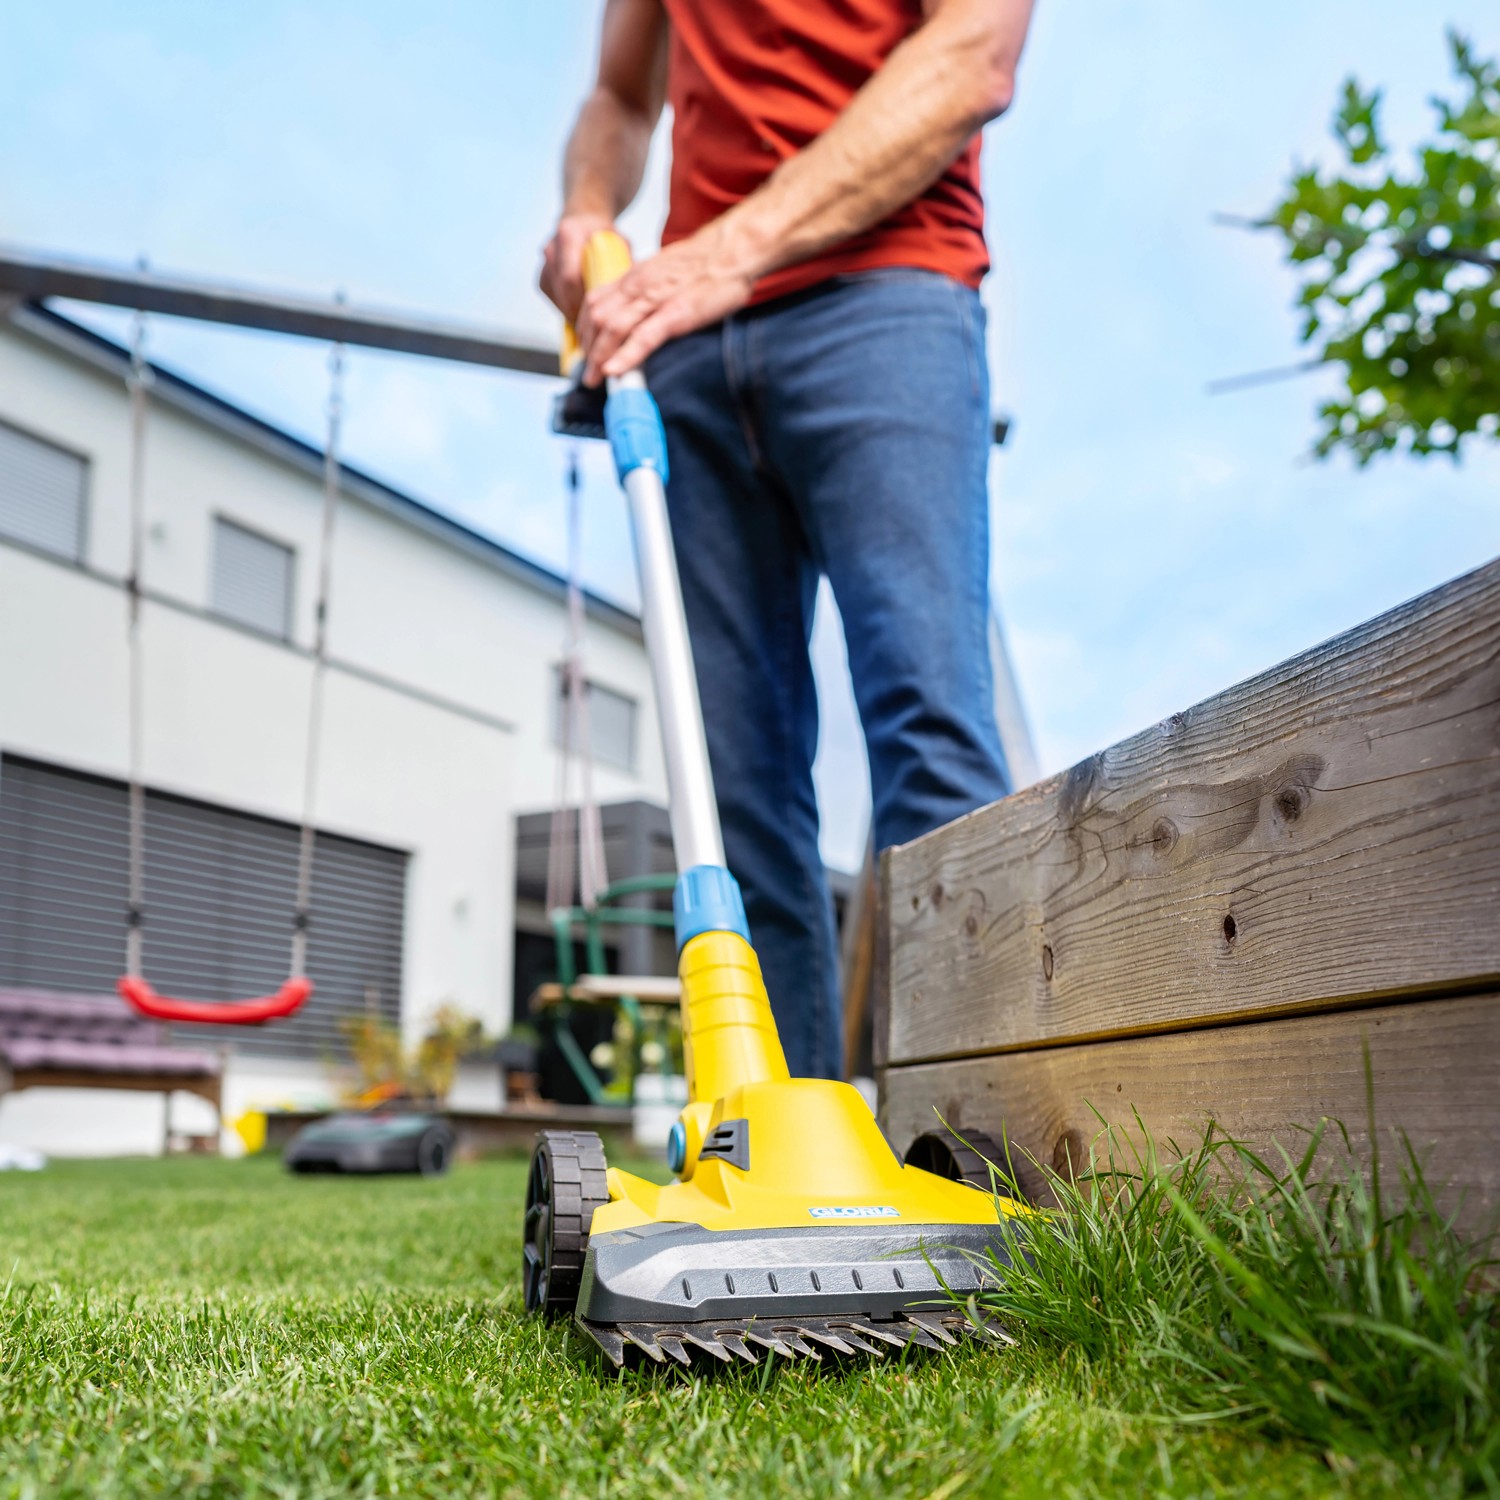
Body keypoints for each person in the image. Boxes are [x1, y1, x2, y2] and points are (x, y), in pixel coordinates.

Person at [542, 0, 1034, 1081]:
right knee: (733, 793)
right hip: (689, 341)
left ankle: (971, 1151)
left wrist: (730, 250)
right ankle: (780, 1147)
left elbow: (972, 59)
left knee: (931, 728)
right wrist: (586, 208)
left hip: (888, 296)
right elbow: (622, 96)